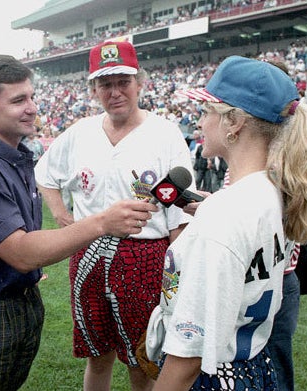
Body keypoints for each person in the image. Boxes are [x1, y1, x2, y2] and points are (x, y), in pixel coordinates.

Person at [0, 54, 158, 391]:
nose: (32, 108)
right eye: (18, 100)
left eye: (32, 97)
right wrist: (101, 222)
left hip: (15, 301)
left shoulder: (14, 156)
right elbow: (22, 252)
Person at [145, 55, 307, 390]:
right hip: (252, 368)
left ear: (233, 121)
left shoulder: (227, 213)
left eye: (206, 113)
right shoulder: (272, 191)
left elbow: (189, 354)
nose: (199, 123)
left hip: (216, 375)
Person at [35, 40, 194, 391]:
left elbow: (179, 216)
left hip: (146, 258)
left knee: (142, 361)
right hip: (88, 252)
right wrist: (63, 217)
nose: (115, 91)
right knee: (97, 355)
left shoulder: (165, 134)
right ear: (94, 89)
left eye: (123, 81)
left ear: (139, 83)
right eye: (105, 84)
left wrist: (176, 279)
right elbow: (45, 175)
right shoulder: (79, 132)